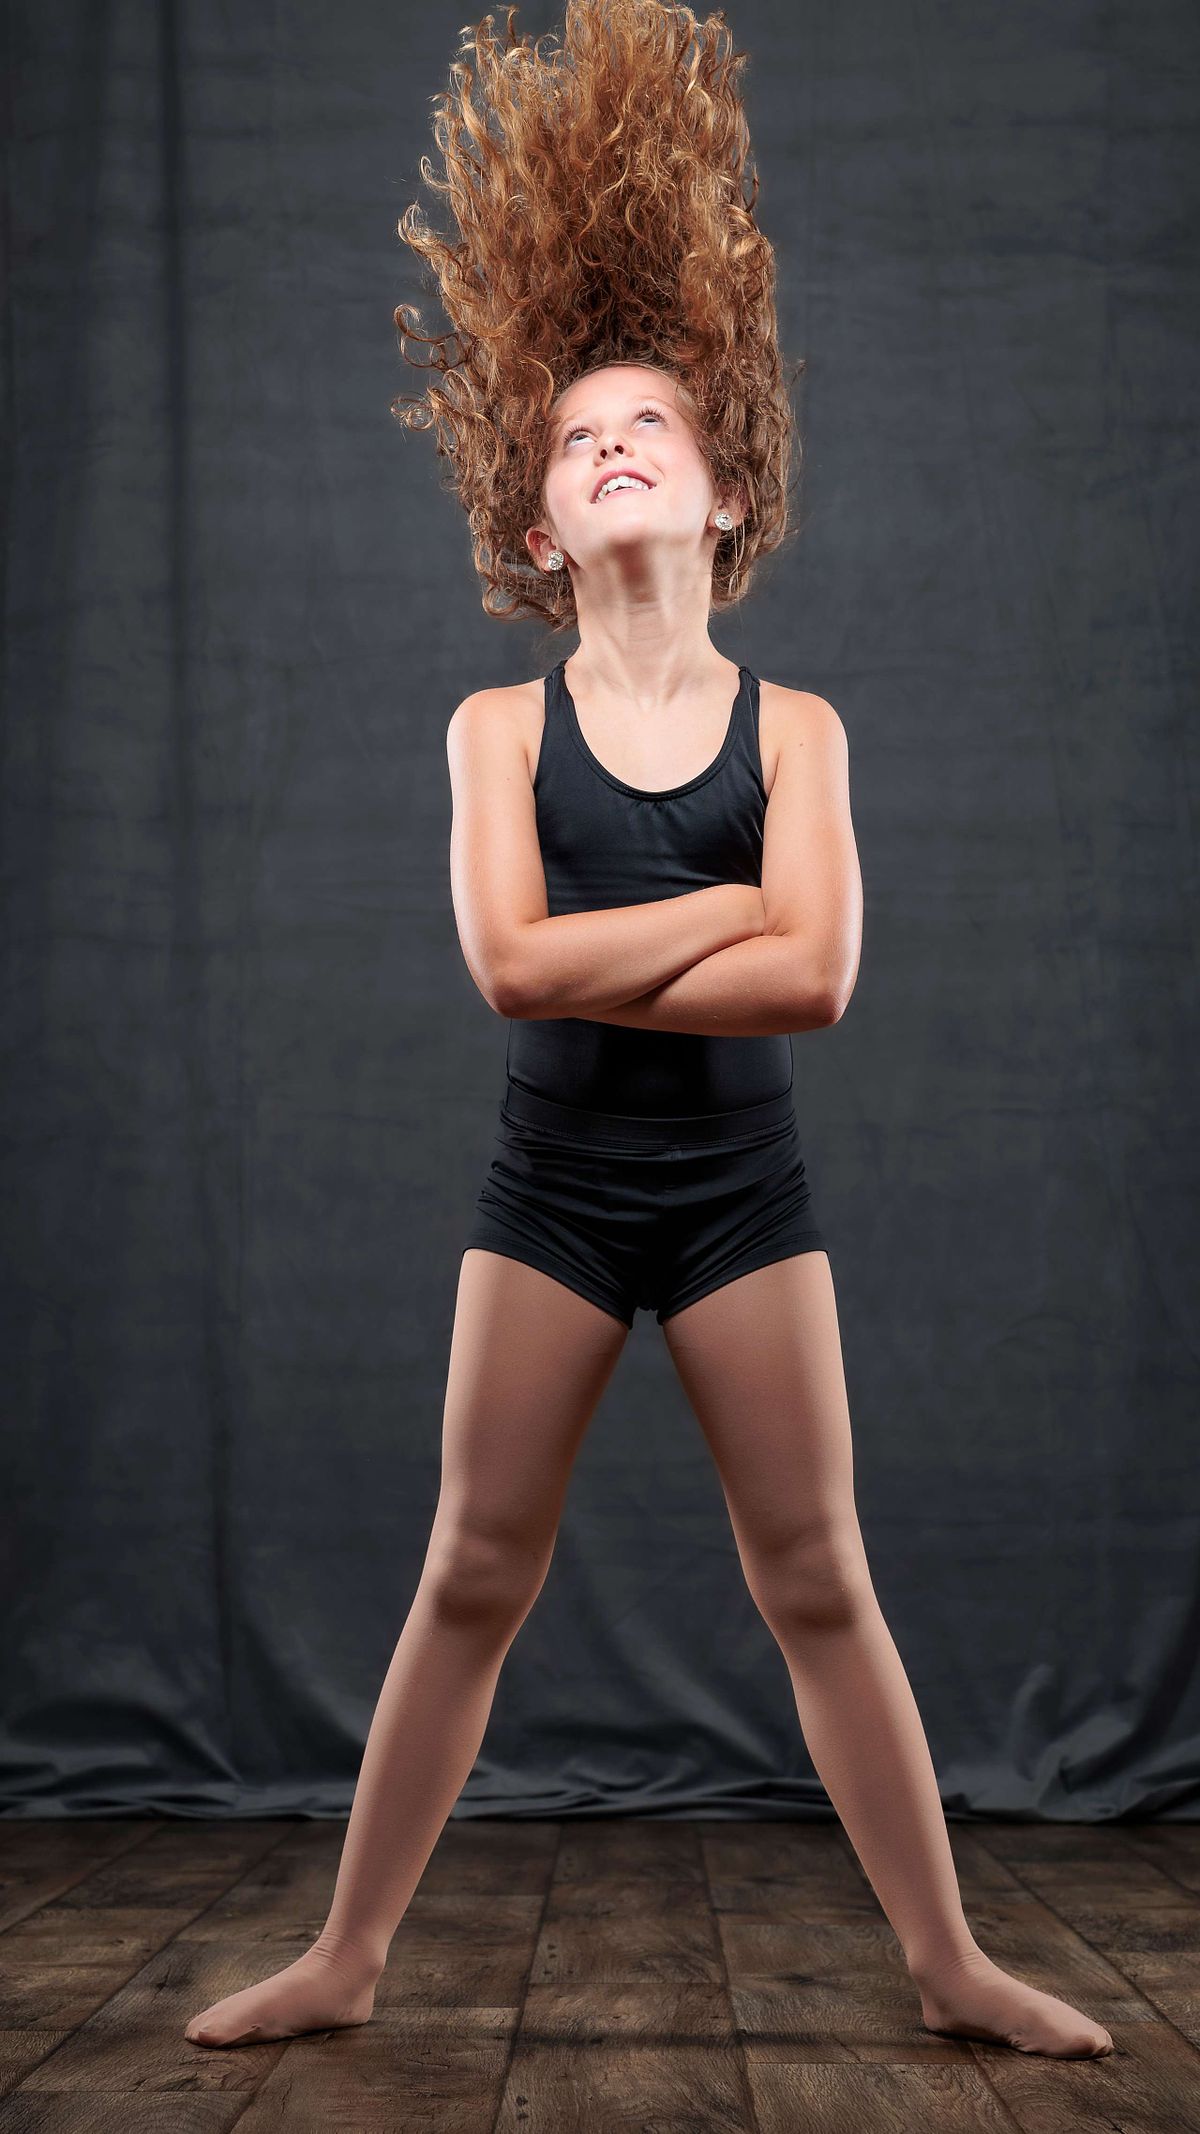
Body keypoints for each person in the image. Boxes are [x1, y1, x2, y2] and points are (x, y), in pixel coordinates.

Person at [185, 0, 1114, 2058]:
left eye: (652, 428)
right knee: (470, 1569)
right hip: (551, 1188)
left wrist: (686, 933)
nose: (611, 444)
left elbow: (819, 982)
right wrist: (727, 902)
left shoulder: (806, 728)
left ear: (726, 495)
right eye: (576, 437)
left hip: (737, 1192)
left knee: (818, 1574)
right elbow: (512, 971)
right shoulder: (492, 728)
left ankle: (950, 1961)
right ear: (535, 525)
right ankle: (346, 1955)